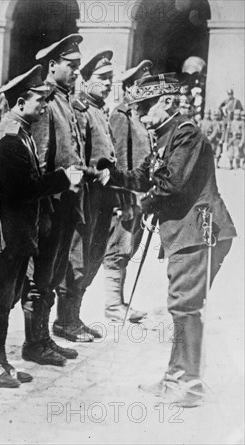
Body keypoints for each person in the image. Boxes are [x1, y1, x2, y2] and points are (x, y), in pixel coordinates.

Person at [99, 73, 236, 407]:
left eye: (147, 106)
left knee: (185, 307)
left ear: (168, 102)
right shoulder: (164, 136)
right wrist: (111, 174)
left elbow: (171, 184)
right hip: (184, 234)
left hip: (199, 232)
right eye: (139, 107)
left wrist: (141, 204)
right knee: (183, 307)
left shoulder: (187, 135)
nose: (142, 113)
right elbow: (142, 175)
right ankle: (177, 378)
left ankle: (189, 385)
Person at [0, 65, 84, 388]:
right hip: (9, 232)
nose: (43, 106)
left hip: (20, 231)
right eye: (39, 101)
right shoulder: (9, 138)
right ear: (21, 101)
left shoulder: (21, 131)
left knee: (7, 297)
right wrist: (63, 179)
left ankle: (1, 361)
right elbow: (23, 188)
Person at [26, 34, 88, 352]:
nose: (77, 71)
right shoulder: (46, 102)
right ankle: (36, 343)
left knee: (52, 275)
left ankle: (43, 338)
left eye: (78, 66)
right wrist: (44, 210)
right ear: (52, 66)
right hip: (51, 206)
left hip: (66, 205)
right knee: (41, 278)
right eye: (71, 65)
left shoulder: (63, 100)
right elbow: (39, 161)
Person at [56, 50, 119, 341]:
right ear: (86, 78)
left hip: (102, 197)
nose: (108, 84)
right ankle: (65, 321)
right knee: (77, 259)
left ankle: (75, 317)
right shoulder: (80, 108)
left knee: (94, 256)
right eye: (102, 78)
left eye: (110, 79)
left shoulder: (98, 109)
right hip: (86, 195)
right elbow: (75, 156)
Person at [103, 60, 152, 323]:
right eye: (143, 87)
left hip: (139, 195)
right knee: (118, 248)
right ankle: (113, 305)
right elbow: (121, 160)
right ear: (130, 87)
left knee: (129, 246)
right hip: (126, 194)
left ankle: (118, 302)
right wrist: (125, 196)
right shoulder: (120, 116)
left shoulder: (137, 116)